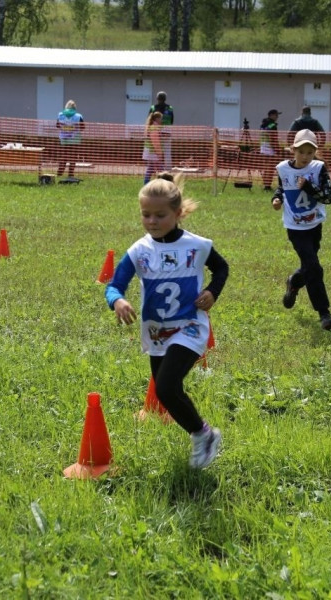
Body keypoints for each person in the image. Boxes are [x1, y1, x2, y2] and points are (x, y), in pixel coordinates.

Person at [105, 173, 229, 469]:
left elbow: (221, 269)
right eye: (145, 215)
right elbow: (114, 284)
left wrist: (213, 291)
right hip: (157, 332)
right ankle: (203, 434)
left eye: (160, 215)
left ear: (178, 213)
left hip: (190, 326)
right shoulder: (138, 251)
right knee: (166, 391)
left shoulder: (197, 245)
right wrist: (118, 301)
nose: (152, 221)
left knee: (166, 386)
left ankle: (204, 435)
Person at [271, 129, 331, 331]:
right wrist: (276, 198)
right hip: (295, 228)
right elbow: (282, 187)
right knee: (314, 267)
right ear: (293, 150)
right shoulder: (283, 168)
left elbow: (329, 197)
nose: (306, 156)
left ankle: (294, 282)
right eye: (301, 152)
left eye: (310, 152)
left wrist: (309, 187)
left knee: (309, 266)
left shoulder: (319, 169)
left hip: (314, 225)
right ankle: (324, 313)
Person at [56, 99, 85, 180]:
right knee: (73, 156)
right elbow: (83, 127)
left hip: (64, 139)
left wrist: (65, 128)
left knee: (64, 156)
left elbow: (57, 126)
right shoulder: (78, 116)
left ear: (66, 107)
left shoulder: (60, 115)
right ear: (74, 107)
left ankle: (59, 173)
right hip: (74, 139)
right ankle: (70, 174)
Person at [149, 91, 174, 169]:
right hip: (167, 131)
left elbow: (149, 120)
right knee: (167, 152)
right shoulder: (170, 108)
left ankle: (155, 168)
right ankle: (168, 169)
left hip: (155, 131)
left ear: (157, 98)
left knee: (155, 150)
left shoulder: (153, 108)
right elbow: (172, 120)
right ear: (165, 99)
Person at [259, 108, 281, 191]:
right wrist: (276, 149)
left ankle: (266, 185)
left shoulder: (262, 125)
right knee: (270, 168)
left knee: (265, 167)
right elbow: (273, 138)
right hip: (270, 149)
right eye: (276, 115)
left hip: (263, 148)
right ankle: (268, 186)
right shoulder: (272, 125)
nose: (277, 117)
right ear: (271, 115)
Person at [143, 111, 164, 183]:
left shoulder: (152, 127)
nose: (162, 120)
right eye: (161, 119)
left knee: (150, 168)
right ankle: (163, 184)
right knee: (161, 169)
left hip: (151, 151)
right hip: (153, 152)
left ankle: (146, 184)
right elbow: (156, 142)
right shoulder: (154, 128)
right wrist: (159, 153)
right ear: (157, 119)